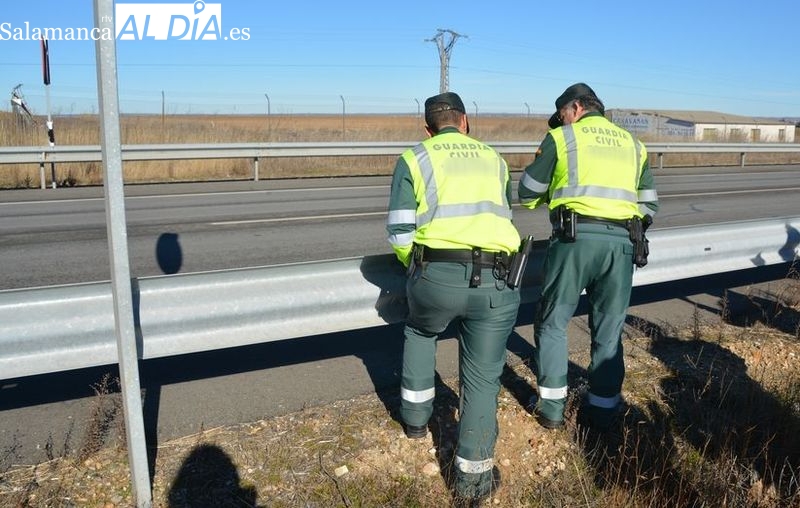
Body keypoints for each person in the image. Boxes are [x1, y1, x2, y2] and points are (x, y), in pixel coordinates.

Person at [386, 91, 523, 503]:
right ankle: (473, 483)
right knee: (482, 379)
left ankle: (414, 420)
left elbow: (399, 231)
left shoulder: (415, 158)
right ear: (465, 122)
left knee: (420, 331)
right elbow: (506, 214)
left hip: (436, 275)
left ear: (427, 129)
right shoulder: (495, 159)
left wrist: (416, 265)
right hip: (497, 279)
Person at [518, 83, 659, 432]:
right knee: (609, 331)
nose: (561, 122)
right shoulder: (633, 145)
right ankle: (603, 413)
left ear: (577, 108)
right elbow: (649, 203)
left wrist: (553, 192)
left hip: (574, 241)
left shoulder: (563, 139)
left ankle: (551, 410)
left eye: (562, 115)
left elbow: (527, 193)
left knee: (552, 322)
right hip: (622, 244)